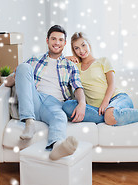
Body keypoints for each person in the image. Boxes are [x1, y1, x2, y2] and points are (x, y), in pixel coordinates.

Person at [5, 25, 86, 160]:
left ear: (65, 43)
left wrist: (82, 102)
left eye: (60, 40)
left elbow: (78, 87)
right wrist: (18, 73)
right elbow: (8, 82)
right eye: (53, 39)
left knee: (60, 117)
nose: (57, 43)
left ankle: (57, 147)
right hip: (34, 98)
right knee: (23, 67)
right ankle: (29, 122)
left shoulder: (70, 65)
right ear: (47, 40)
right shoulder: (34, 59)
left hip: (55, 104)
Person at [63, 32, 138, 126]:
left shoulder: (102, 61)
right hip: (95, 109)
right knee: (66, 106)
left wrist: (105, 102)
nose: (81, 50)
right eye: (76, 48)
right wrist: (66, 58)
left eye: (83, 45)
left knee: (110, 115)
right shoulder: (75, 67)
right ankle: (114, 116)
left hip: (116, 99)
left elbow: (112, 84)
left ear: (88, 44)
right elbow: (53, 61)